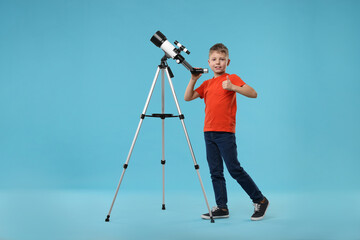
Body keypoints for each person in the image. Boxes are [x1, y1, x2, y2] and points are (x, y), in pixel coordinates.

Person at [184, 43, 269, 221]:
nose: (218, 63)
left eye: (222, 59)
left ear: (228, 62)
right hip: (209, 133)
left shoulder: (231, 78)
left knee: (234, 169)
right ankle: (222, 207)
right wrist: (193, 79)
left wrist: (233, 88)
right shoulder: (207, 84)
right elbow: (188, 97)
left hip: (225, 133)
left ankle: (260, 200)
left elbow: (253, 93)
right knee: (215, 171)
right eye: (214, 59)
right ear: (208, 62)